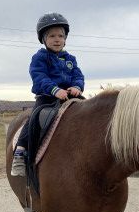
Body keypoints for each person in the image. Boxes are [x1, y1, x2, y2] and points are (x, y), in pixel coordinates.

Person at [11, 12, 85, 176]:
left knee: (90, 112)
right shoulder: (40, 57)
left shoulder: (70, 58)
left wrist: (77, 87)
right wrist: (54, 89)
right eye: (52, 36)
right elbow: (39, 77)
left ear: (65, 39)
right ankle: (20, 152)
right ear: (44, 39)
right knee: (35, 118)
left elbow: (78, 75)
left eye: (60, 35)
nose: (57, 39)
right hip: (47, 97)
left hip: (70, 96)